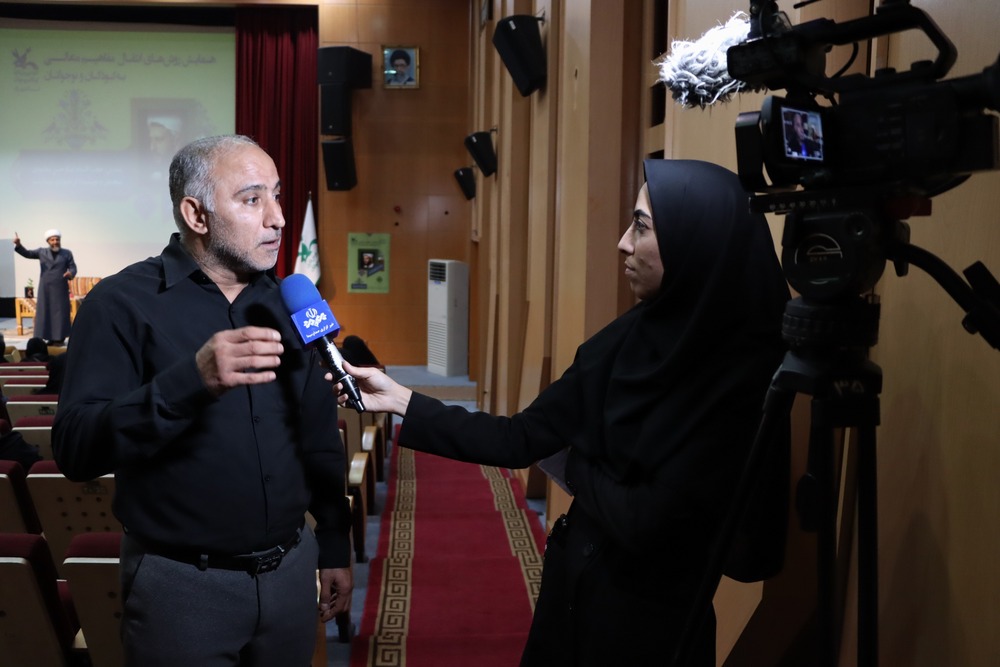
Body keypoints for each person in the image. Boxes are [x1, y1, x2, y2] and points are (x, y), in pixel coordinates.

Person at [339, 159, 791, 666]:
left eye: (641, 226)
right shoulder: (621, 340)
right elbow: (520, 438)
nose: (622, 243)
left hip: (654, 629)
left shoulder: (742, 377)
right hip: (572, 590)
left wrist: (575, 465)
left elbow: (646, 521)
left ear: (695, 245)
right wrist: (399, 399)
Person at [52, 134, 354, 667]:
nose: (278, 218)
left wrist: (333, 543)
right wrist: (190, 382)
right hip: (181, 589)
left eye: (277, 196)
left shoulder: (293, 306)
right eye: (252, 199)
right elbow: (76, 449)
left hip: (291, 574)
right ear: (196, 214)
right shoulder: (120, 304)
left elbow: (317, 439)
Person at [13, 228, 77, 345]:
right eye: (52, 240)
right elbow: (27, 254)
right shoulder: (41, 252)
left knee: (60, 313)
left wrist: (71, 274)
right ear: (48, 241)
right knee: (45, 313)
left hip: (60, 288)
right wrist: (18, 245)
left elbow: (73, 267)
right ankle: (47, 338)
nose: (55, 242)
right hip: (45, 289)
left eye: (57, 239)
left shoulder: (67, 253)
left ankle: (59, 338)